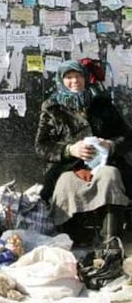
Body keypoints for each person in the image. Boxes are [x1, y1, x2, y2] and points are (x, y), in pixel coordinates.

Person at [35, 59, 132, 242]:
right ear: (61, 80)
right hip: (67, 167)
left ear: (86, 78)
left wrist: (110, 145)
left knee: (110, 176)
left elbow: (127, 136)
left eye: (78, 76)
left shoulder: (102, 104)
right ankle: (72, 238)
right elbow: (42, 146)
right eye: (69, 77)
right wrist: (70, 150)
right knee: (66, 182)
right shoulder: (52, 107)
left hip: (104, 164)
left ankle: (110, 241)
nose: (74, 81)